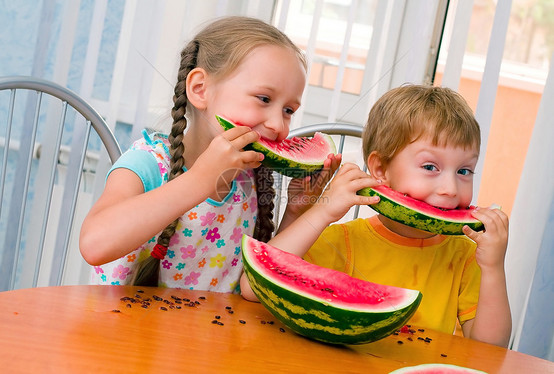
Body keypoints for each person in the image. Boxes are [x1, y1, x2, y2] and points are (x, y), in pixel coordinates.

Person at [79, 16, 339, 292]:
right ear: (200, 89)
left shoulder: (250, 180)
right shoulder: (148, 163)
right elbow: (95, 244)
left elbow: (256, 285)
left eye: (289, 110)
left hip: (208, 333)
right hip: (119, 331)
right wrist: (201, 179)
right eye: (264, 99)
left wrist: (296, 213)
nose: (278, 125)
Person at [241, 84, 512, 347]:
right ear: (380, 169)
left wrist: (493, 267)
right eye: (430, 167)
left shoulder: (465, 255)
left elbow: (491, 347)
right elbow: (254, 289)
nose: (450, 189)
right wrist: (322, 212)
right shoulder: (342, 241)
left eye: (464, 171)